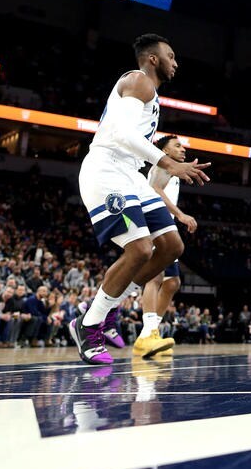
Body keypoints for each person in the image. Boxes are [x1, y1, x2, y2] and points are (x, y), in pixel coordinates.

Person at [72, 33, 211, 365]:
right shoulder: (139, 81)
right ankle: (89, 324)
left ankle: (107, 309)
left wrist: (169, 166)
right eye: (171, 55)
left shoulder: (150, 93)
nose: (175, 62)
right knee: (140, 249)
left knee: (171, 247)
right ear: (153, 58)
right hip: (107, 170)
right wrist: (169, 164)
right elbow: (121, 135)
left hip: (131, 175)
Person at [133, 134, 199, 358]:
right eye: (177, 146)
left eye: (183, 146)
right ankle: (149, 333)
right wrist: (180, 215)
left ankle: (149, 333)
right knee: (156, 277)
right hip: (153, 221)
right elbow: (155, 191)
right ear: (165, 151)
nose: (183, 149)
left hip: (164, 224)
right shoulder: (163, 165)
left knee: (172, 283)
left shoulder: (174, 169)